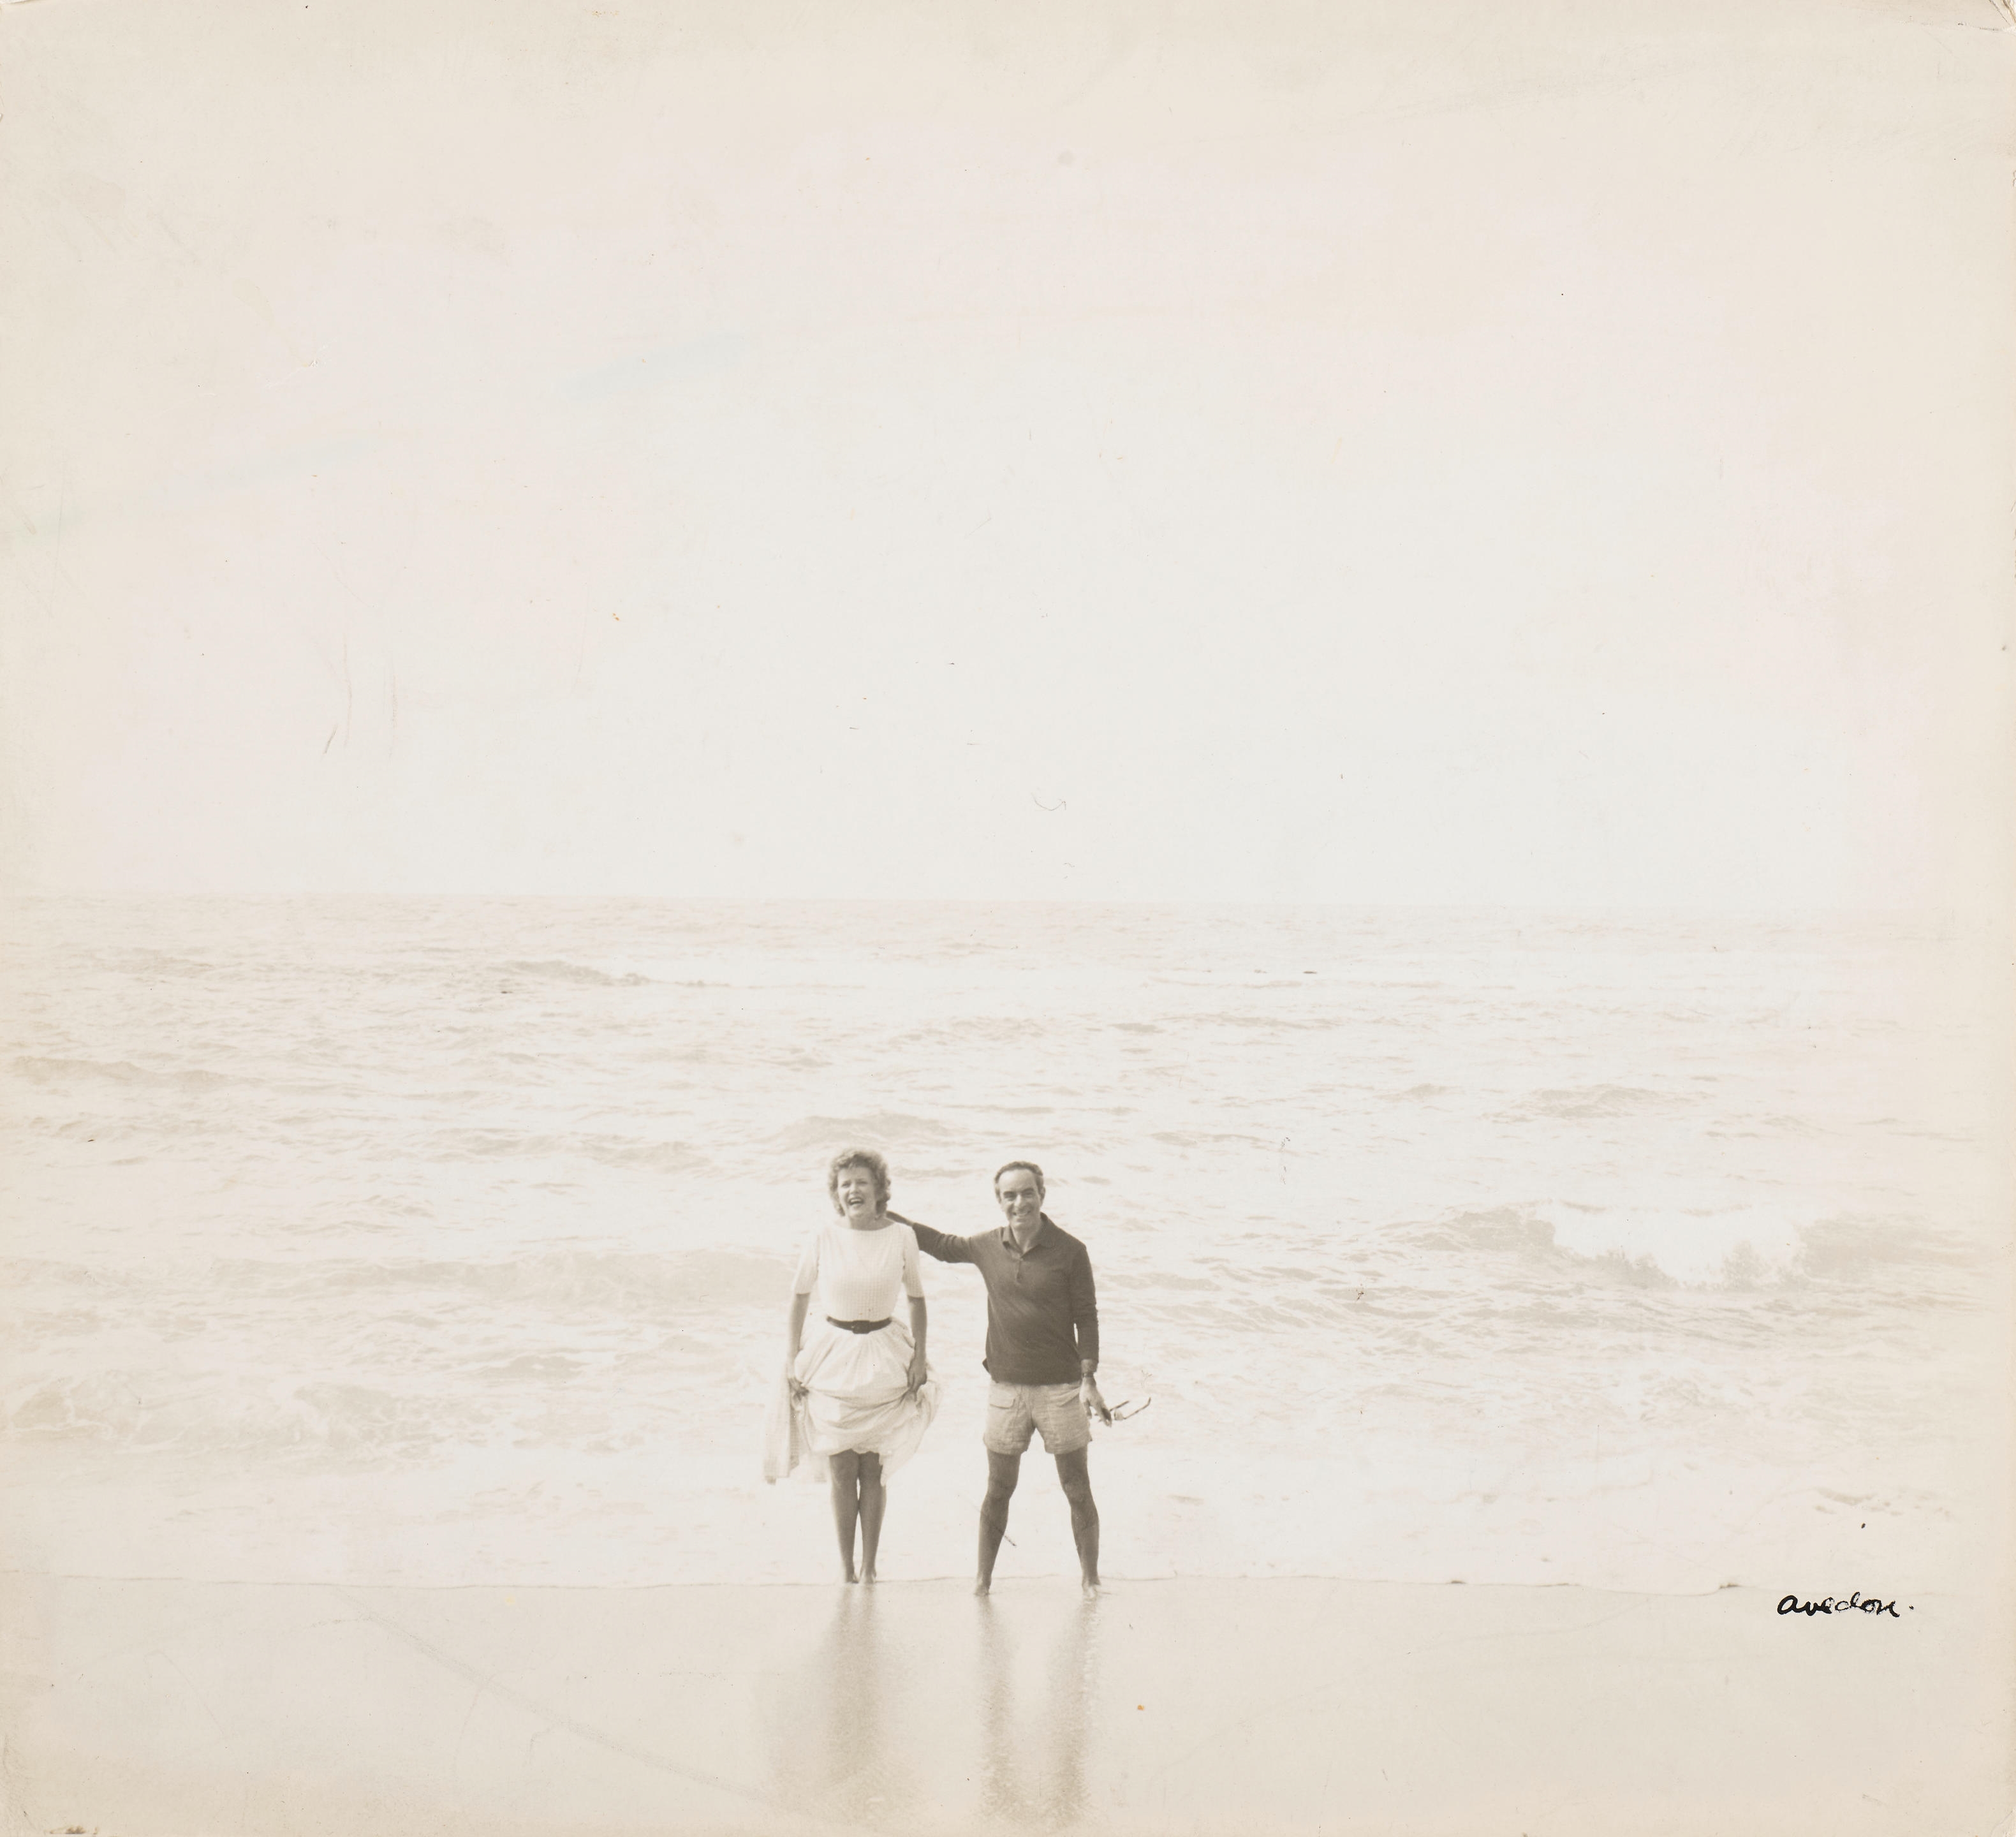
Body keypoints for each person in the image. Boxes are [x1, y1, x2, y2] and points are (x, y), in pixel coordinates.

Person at [902, 1161, 1111, 1597]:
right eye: (1009, 1196)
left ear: (1042, 1194)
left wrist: (1088, 1380)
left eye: (1026, 1193)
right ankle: (982, 1583)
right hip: (1006, 1390)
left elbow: (1086, 1318)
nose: (1019, 1203)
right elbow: (940, 1244)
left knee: (1076, 1487)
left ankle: (1090, 1580)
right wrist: (886, 1215)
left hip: (1061, 1390)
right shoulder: (986, 1247)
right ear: (999, 1202)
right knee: (998, 1488)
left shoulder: (1071, 1251)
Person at [779, 1149, 938, 1584]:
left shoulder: (901, 1236)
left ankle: (870, 1568)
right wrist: (792, 1356)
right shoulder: (822, 1236)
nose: (854, 1190)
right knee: (840, 1466)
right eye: (845, 1183)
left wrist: (920, 1356)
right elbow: (798, 1297)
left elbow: (917, 1298)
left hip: (884, 1352)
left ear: (879, 1190)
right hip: (833, 1354)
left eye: (862, 1182)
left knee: (874, 1467)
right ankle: (846, 1568)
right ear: (836, 1193)